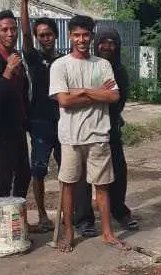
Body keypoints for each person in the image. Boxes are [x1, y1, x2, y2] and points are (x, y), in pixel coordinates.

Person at [48, 14, 128, 253]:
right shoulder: (60, 65)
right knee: (69, 185)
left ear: (91, 36)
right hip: (71, 137)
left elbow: (113, 96)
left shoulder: (102, 65)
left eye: (85, 35)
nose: (81, 39)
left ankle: (107, 232)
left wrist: (80, 91)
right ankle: (70, 232)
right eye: (77, 35)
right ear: (70, 36)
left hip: (99, 135)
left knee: (102, 186)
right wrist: (94, 93)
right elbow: (63, 101)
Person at [73, 28, 138, 236]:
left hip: (110, 128)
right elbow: (77, 95)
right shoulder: (87, 66)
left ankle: (119, 211)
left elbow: (117, 100)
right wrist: (101, 93)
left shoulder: (120, 72)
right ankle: (84, 219)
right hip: (84, 126)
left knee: (118, 171)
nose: (107, 46)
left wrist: (97, 95)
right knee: (82, 176)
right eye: (103, 42)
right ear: (96, 43)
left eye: (112, 42)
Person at [20, 0, 63, 232]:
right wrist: (24, 2)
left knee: (68, 171)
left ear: (55, 36)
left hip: (64, 122)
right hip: (39, 123)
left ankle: (68, 213)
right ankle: (43, 216)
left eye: (48, 34)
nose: (45, 38)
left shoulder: (65, 61)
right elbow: (24, 34)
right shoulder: (35, 59)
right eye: (41, 35)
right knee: (38, 171)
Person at [0, 9, 32, 200]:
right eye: (4, 30)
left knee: (23, 175)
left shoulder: (15, 56)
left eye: (13, 29)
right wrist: (8, 70)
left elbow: (22, 91)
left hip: (17, 125)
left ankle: (17, 219)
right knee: (3, 177)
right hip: (1, 128)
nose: (10, 34)